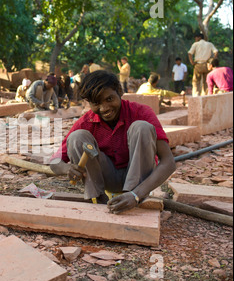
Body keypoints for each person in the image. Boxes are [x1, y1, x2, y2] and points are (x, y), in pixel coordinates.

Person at [49, 70, 176, 214]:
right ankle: (97, 198)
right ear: (89, 103)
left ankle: (133, 197)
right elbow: (54, 162)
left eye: (109, 99)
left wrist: (136, 195)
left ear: (120, 91)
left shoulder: (141, 112)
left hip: (139, 180)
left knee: (142, 127)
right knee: (77, 137)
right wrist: (67, 169)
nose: (104, 108)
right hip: (106, 178)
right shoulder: (86, 122)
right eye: (96, 103)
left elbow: (169, 162)